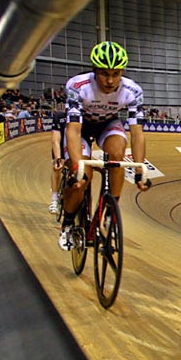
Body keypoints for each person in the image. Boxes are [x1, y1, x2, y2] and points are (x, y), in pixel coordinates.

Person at [58, 41, 152, 250]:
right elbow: (72, 130)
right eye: (104, 74)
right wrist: (77, 168)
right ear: (94, 72)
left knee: (117, 152)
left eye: (116, 74)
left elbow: (137, 133)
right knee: (82, 180)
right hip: (81, 127)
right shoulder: (77, 86)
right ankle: (67, 224)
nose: (110, 80)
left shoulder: (132, 91)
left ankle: (110, 209)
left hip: (107, 124)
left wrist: (139, 170)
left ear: (122, 72)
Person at [48, 100, 66, 214]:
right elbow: (55, 141)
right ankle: (54, 198)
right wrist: (58, 158)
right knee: (57, 168)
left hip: (75, 147)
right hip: (60, 145)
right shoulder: (59, 117)